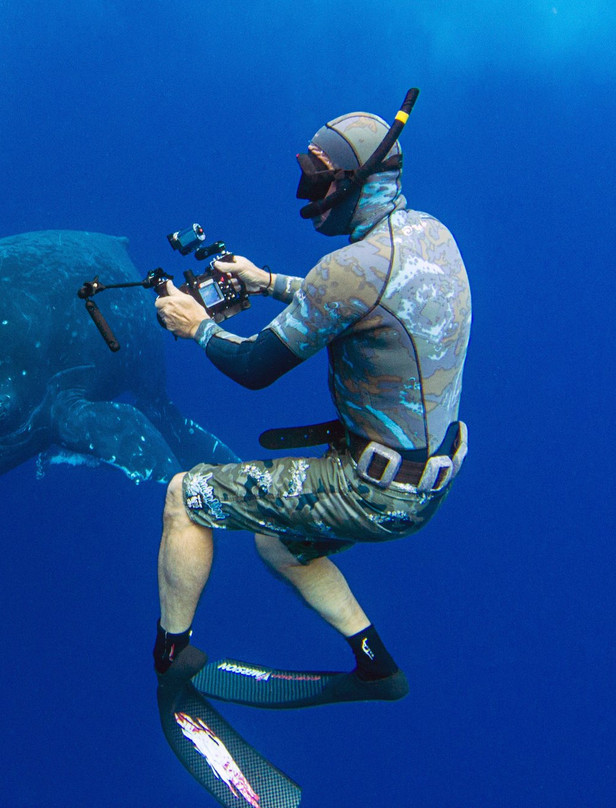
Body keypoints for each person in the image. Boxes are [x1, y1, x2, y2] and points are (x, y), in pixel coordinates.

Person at [151, 106, 471, 694]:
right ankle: (375, 665)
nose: (309, 195)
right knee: (278, 541)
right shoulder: (431, 234)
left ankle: (171, 661)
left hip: (370, 490)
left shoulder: (348, 269)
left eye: (317, 180)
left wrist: (197, 326)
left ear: (353, 181)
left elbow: (253, 367)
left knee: (186, 497)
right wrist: (267, 282)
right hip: (428, 482)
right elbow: (361, 299)